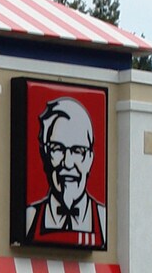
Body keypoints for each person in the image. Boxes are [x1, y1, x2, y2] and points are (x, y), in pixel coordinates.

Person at [22, 96, 105, 247]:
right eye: (58, 149)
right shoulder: (28, 218)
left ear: (90, 158)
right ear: (46, 153)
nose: (68, 163)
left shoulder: (103, 219)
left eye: (78, 151)